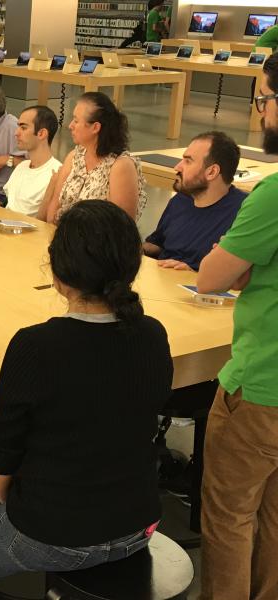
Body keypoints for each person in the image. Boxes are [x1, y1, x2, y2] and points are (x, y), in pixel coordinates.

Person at [0, 200, 172, 599]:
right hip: (139, 524)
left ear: (59, 274)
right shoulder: (152, 333)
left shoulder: (36, 345)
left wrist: (29, 510)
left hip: (57, 532)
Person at [195, 53, 278, 600]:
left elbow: (210, 277)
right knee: (273, 522)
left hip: (260, 389)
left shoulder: (271, 195)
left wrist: (244, 270)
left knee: (228, 520)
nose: (261, 114)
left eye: (265, 100)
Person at [144, 131, 246, 272]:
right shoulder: (181, 200)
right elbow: (157, 244)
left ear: (212, 172)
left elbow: (239, 277)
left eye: (188, 161)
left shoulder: (244, 213)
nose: (177, 167)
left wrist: (194, 274)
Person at [44, 91, 147, 223]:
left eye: (76, 121)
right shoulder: (74, 157)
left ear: (95, 127)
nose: (70, 126)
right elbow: (55, 203)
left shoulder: (120, 166)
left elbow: (122, 226)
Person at [2, 105, 61, 218]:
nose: (16, 133)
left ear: (42, 134)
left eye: (23, 128)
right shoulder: (21, 167)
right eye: (18, 127)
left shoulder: (56, 173)